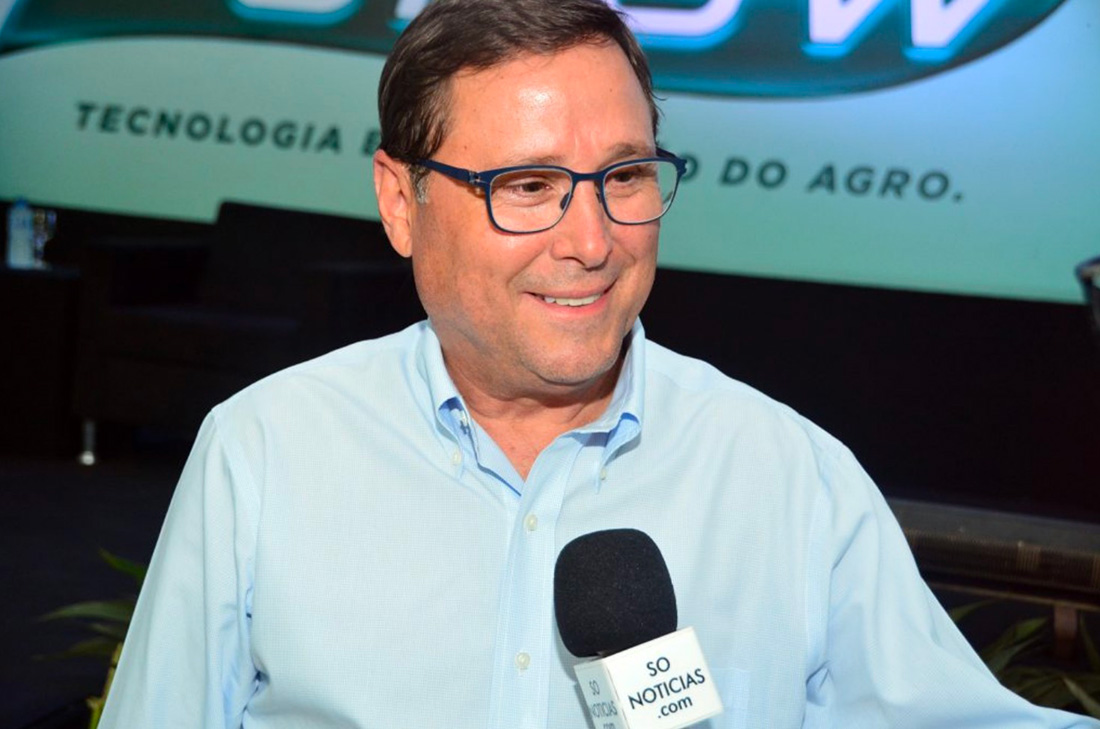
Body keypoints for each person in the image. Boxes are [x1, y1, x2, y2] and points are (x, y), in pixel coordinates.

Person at [99, 1, 1098, 727]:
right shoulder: (265, 452)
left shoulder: (786, 475)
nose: (591, 241)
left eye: (623, 175)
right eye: (528, 186)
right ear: (401, 202)